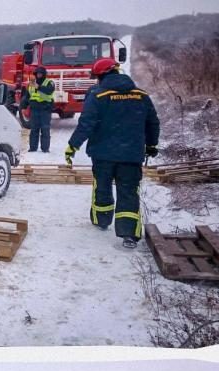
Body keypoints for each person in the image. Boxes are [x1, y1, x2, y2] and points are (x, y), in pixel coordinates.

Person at [65, 57, 160, 250]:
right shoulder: (141, 95)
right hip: (131, 155)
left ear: (102, 76)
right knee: (128, 191)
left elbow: (86, 124)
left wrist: (72, 146)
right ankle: (129, 235)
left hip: (103, 155)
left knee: (102, 187)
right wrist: (151, 145)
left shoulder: (98, 95)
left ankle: (102, 219)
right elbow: (152, 123)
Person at [21, 66, 56, 153]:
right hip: (34, 110)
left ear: (44, 74)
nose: (38, 75)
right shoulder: (31, 83)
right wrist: (23, 107)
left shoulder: (49, 82)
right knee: (34, 129)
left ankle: (45, 148)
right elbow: (27, 96)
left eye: (40, 74)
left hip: (45, 109)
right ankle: (33, 148)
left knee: (45, 129)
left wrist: (38, 87)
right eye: (37, 74)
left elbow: (49, 91)